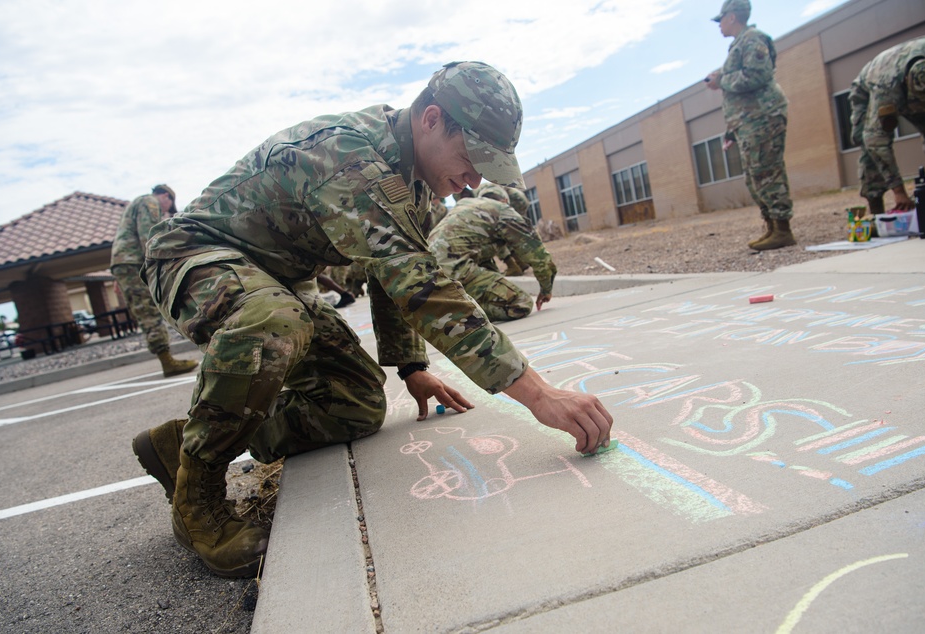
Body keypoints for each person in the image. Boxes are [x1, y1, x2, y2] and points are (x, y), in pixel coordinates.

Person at [131, 62, 613, 579]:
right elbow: (422, 288)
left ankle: (184, 442)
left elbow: (389, 274)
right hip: (194, 257)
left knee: (354, 406)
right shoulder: (349, 157)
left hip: (280, 283)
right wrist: (538, 394)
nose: (474, 180)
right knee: (275, 322)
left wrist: (410, 367)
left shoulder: (418, 183)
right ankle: (197, 496)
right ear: (431, 119)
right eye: (472, 159)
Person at [705, 0, 795, 251]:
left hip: (763, 116)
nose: (719, 25)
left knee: (768, 171)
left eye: (720, 20)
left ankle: (783, 230)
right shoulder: (739, 44)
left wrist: (722, 79)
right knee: (756, 175)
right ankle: (773, 227)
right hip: (749, 121)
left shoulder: (753, 39)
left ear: (732, 17)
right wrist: (732, 130)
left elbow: (757, 76)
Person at [429, 182, 557, 321]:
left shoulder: (464, 205)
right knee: (521, 303)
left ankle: (450, 304)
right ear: (505, 200)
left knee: (494, 280)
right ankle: (453, 314)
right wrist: (546, 289)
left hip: (429, 272)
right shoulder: (502, 210)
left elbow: (481, 254)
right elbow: (538, 255)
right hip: (455, 271)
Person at [849, 35, 925, 215]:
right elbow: (876, 141)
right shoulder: (887, 87)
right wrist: (899, 191)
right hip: (868, 90)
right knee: (867, 145)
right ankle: (876, 209)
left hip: (924, 85)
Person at [110, 185, 199, 377]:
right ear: (166, 196)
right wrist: (159, 263)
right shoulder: (149, 201)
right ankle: (167, 361)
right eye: (167, 208)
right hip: (135, 263)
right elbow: (148, 235)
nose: (165, 211)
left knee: (143, 310)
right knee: (149, 310)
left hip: (124, 264)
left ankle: (166, 358)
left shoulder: (135, 204)